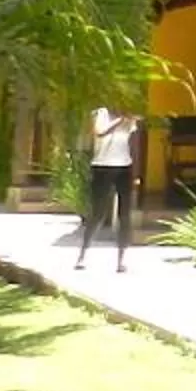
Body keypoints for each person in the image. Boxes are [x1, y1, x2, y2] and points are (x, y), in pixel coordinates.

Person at [77, 105, 140, 272]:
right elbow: (99, 133)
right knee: (98, 213)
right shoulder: (100, 113)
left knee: (124, 215)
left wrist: (136, 173)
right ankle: (83, 255)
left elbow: (133, 145)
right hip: (102, 167)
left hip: (124, 167)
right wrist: (121, 120)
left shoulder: (129, 118)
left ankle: (121, 260)